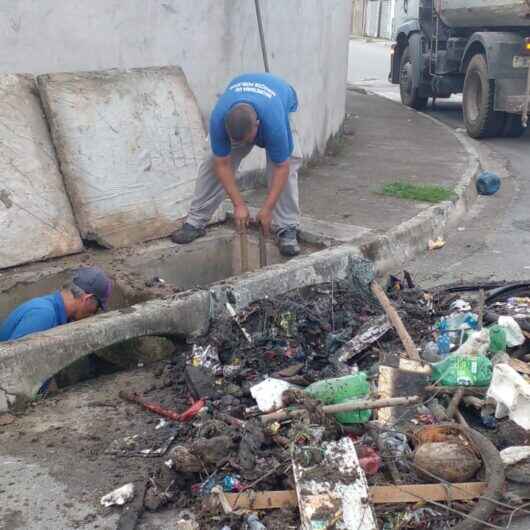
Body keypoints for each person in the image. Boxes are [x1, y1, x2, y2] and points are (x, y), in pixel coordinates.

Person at [171, 72, 301, 257]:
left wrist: (267, 208)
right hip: (246, 103)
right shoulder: (219, 118)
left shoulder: (274, 123)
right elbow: (221, 163)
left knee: (289, 161)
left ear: (257, 125)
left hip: (279, 99)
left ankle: (287, 228)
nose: (248, 144)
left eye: (249, 139)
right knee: (211, 161)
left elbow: (282, 167)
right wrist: (239, 204)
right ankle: (196, 220)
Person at [0, 267, 112, 342]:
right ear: (87, 299)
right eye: (97, 308)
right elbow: (14, 365)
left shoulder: (56, 312)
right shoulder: (43, 314)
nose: (93, 313)